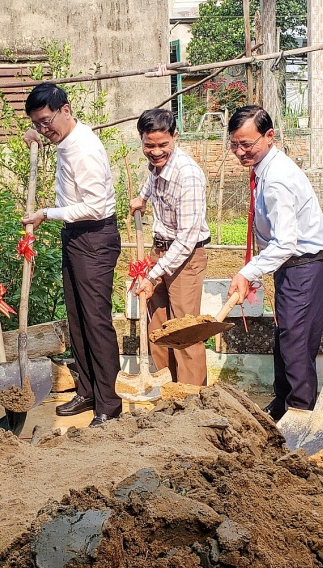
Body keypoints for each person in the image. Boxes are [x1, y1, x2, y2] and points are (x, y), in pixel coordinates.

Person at [21, 83, 122, 427]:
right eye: (37, 123)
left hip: (95, 237)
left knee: (96, 321)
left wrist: (46, 213)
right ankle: (88, 391)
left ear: (66, 110)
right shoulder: (64, 138)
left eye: (46, 121)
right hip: (76, 235)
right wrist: (35, 135)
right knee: (77, 318)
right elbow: (43, 133)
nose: (43, 129)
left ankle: (109, 404)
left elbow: (94, 207)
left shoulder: (85, 149)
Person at [227, 105, 323, 421]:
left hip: (305, 267)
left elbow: (286, 242)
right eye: (234, 144)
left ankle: (300, 412)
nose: (240, 152)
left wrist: (249, 270)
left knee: (296, 342)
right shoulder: (264, 170)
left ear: (269, 136)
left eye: (247, 144)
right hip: (292, 267)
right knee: (284, 337)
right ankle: (282, 401)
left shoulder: (277, 179)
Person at [130, 108, 210, 385]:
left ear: (175, 136)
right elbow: (151, 182)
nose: (156, 152)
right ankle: (167, 391)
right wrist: (142, 198)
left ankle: (191, 399)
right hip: (159, 251)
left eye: (163, 145)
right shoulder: (156, 165)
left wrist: (152, 275)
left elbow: (186, 239)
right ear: (142, 140)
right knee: (158, 327)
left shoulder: (188, 175)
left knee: (185, 331)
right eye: (149, 145)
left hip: (185, 257)